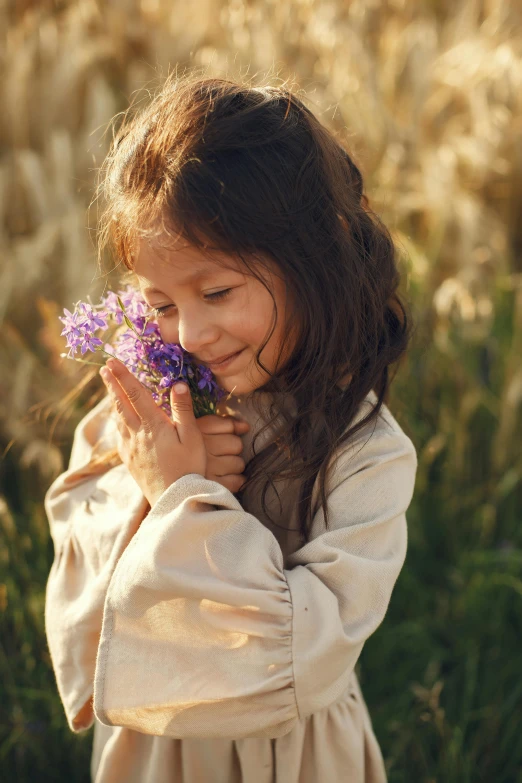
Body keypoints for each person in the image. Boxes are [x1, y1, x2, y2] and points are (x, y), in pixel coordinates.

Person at [44, 73, 418, 783]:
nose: (189, 332)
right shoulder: (147, 409)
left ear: (317, 257)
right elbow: (81, 561)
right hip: (162, 748)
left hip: (295, 751)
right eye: (158, 304)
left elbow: (301, 650)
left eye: (216, 292)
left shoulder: (365, 452)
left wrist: (187, 497)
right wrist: (145, 488)